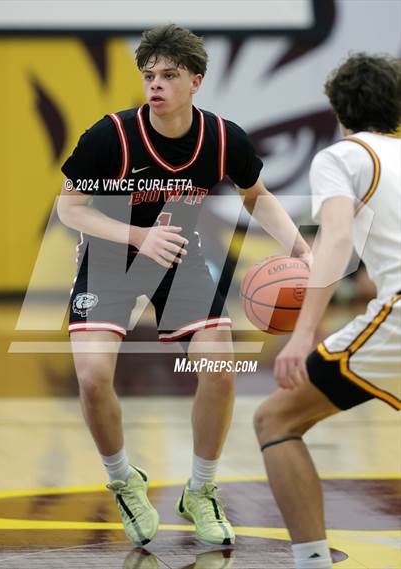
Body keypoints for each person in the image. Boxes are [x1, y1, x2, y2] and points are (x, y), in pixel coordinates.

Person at [58, 24, 310, 547]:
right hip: (109, 258)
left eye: (169, 75)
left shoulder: (222, 138)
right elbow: (69, 208)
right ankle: (123, 479)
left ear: (196, 80)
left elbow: (257, 196)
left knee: (220, 371)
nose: (156, 84)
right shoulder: (111, 136)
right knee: (93, 377)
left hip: (177, 255)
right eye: (149, 75)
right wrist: (137, 236)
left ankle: (200, 489)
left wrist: (300, 250)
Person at [253, 53, 401, 569]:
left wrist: (302, 334)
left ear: (338, 111)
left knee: (275, 419)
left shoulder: (341, 157)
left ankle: (312, 560)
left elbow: (335, 240)